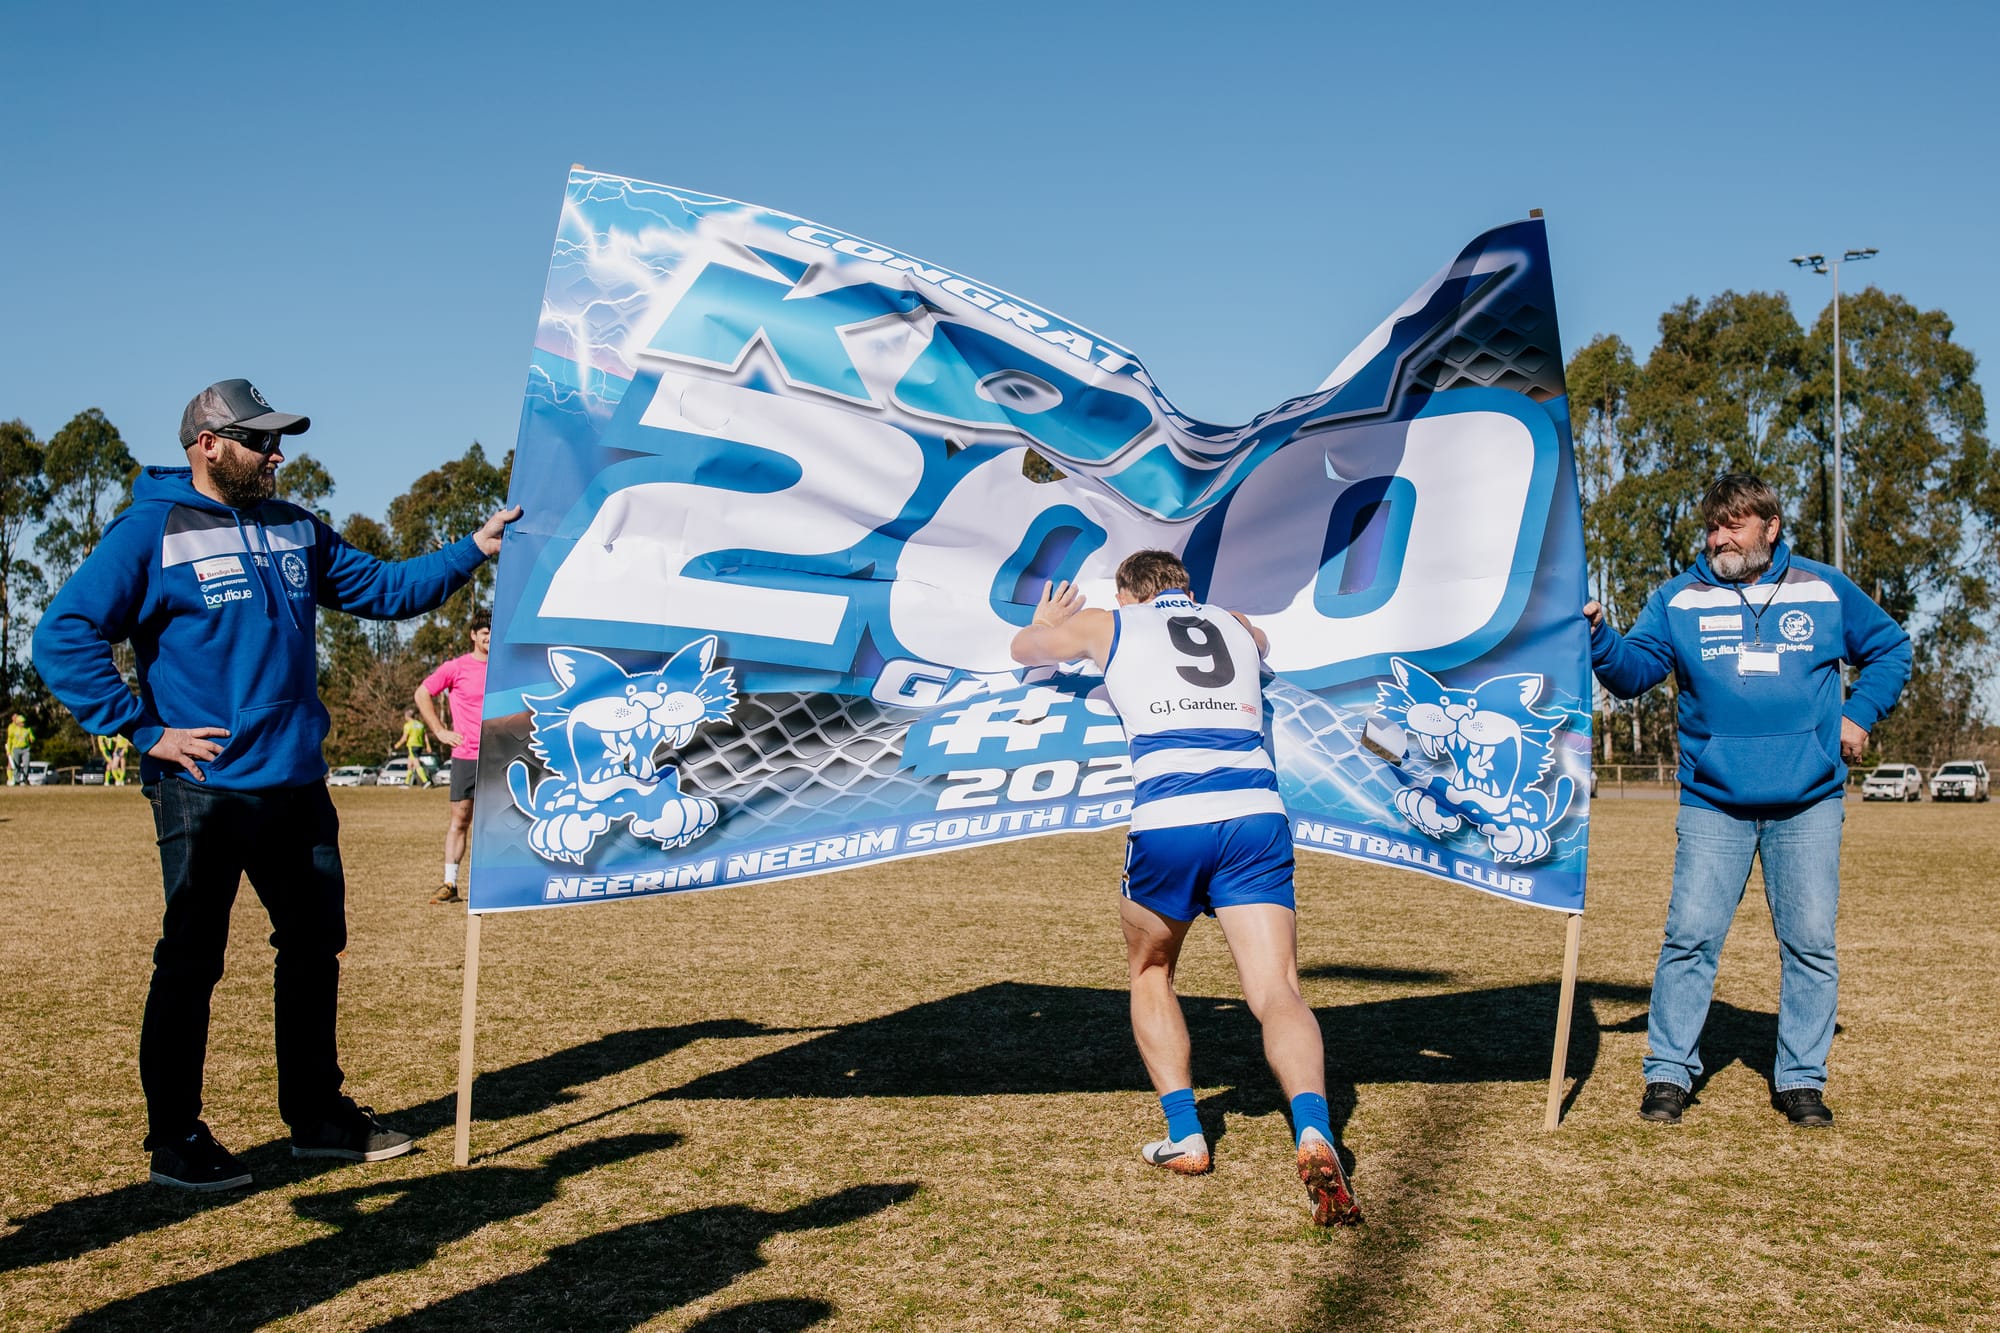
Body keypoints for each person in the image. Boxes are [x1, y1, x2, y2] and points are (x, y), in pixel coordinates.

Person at [32, 377, 522, 1191]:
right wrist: (144, 729)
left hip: (297, 784)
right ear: (207, 444)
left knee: (314, 947)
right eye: (259, 440)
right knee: (192, 959)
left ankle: (317, 1116)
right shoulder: (151, 529)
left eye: (278, 440)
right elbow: (63, 635)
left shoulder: (296, 526)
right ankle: (175, 1137)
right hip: (204, 787)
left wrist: (473, 547)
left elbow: (385, 588)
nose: (276, 454)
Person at [1010, 549, 1360, 1226]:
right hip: (1255, 815)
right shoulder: (1233, 621)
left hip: (1170, 817)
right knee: (1278, 989)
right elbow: (1261, 644)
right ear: (1185, 589)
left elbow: (1025, 650)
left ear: (1127, 593)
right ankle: (1315, 1128)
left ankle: (1186, 1134)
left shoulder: (1110, 622)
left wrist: (1047, 621)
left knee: (1151, 971)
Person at [1584, 473, 1910, 1128]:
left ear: (1771, 527)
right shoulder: (1677, 598)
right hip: (1714, 801)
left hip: (1809, 801)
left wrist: (1859, 713)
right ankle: (1668, 1073)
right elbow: (1633, 673)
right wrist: (1598, 636)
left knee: (1810, 944)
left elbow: (1890, 648)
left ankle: (1801, 1079)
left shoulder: (1822, 587)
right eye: (1713, 526)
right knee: (1690, 938)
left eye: (1734, 524)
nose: (1720, 538)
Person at [414, 611, 491, 904]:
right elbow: (422, 694)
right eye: (484, 632)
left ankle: (500, 884)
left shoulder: (505, 668)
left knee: (504, 821)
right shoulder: (456, 667)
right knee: (460, 819)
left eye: (493, 632)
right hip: (467, 755)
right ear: (473, 635)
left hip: (501, 754)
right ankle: (450, 884)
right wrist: (439, 731)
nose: (489, 637)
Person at [397, 708, 433, 788]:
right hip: (420, 745)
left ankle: (425, 781)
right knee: (410, 764)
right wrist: (428, 745)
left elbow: (405, 737)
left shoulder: (408, 725)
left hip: (412, 745)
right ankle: (406, 783)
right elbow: (425, 736)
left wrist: (398, 744)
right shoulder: (420, 724)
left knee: (416, 764)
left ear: (407, 716)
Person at [6, 713, 32, 785]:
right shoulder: (11, 727)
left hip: (24, 748)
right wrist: (8, 750)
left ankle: (24, 779)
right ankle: (12, 779)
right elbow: (10, 739)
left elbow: (31, 737)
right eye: (14, 718)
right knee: (12, 765)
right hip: (14, 748)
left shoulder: (27, 729)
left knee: (25, 764)